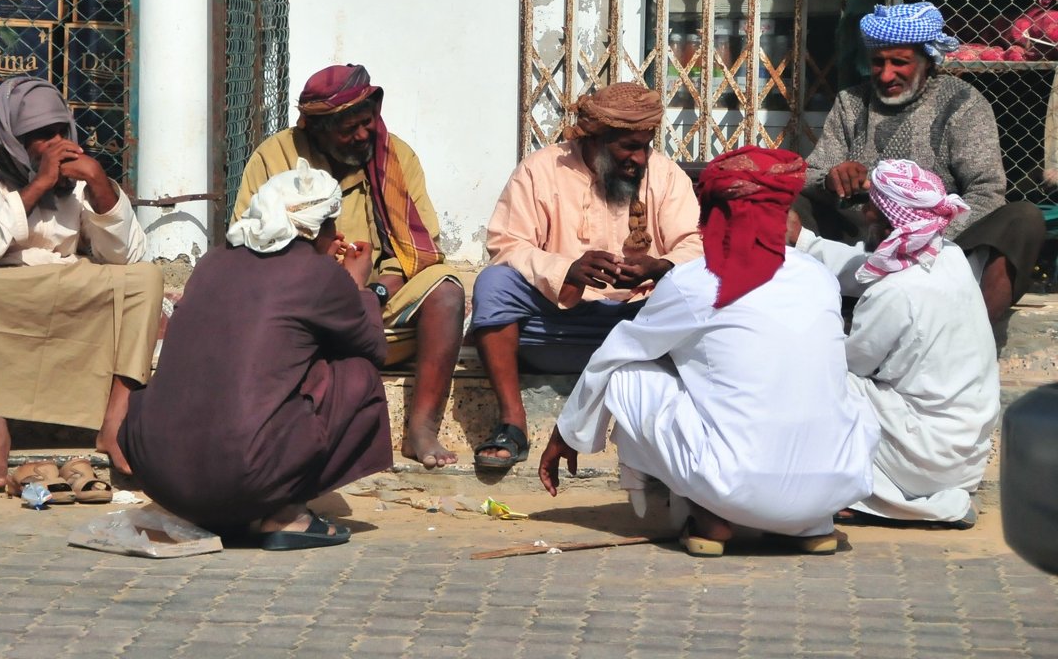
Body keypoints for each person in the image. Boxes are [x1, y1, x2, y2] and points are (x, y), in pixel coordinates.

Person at [539, 146, 879, 557]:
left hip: (735, 487)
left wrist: (568, 432)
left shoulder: (695, 280)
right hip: (835, 487)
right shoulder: (818, 277)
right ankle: (809, 524)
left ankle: (711, 518)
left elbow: (617, 353)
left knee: (629, 370)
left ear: (711, 213)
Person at [121, 159, 390, 549]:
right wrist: (357, 285)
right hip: (242, 476)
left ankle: (218, 505)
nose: (337, 234)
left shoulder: (212, 261)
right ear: (312, 229)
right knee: (359, 375)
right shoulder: (319, 275)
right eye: (330, 224)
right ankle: (284, 515)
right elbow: (372, 347)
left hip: (161, 477)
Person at [0, 77, 162, 492]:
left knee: (146, 278)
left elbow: (126, 256)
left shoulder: (77, 178)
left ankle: (114, 421)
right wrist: (36, 185)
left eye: (61, 131)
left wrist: (100, 186)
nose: (56, 143)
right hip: (0, 288)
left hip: (65, 282)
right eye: (40, 135)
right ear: (12, 136)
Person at [231, 64, 463, 469]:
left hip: (375, 304)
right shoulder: (276, 157)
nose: (362, 135)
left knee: (446, 290)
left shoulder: (397, 157)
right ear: (316, 130)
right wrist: (323, 276)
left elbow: (418, 250)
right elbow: (248, 239)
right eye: (347, 129)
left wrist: (368, 294)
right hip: (303, 307)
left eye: (367, 123)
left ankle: (422, 428)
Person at [470, 82, 702, 469]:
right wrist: (566, 270)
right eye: (627, 147)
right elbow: (506, 245)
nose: (639, 158)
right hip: (553, 330)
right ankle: (512, 423)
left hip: (637, 333)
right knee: (494, 284)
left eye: (645, 146)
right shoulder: (540, 170)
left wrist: (660, 267)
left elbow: (695, 246)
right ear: (594, 139)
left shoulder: (666, 176)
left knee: (697, 296)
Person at [799, 2, 1045, 322]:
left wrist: (924, 240)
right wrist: (831, 180)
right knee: (789, 202)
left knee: (1023, 218)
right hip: (865, 232)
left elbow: (986, 190)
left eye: (899, 62)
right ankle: (807, 312)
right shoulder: (851, 102)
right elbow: (811, 174)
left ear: (927, 61)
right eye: (877, 63)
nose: (886, 74)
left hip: (943, 242)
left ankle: (972, 332)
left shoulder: (963, 103)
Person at [791, 159, 998, 528]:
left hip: (925, 459)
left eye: (871, 205)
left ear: (885, 219)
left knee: (814, 377)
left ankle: (871, 496)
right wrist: (803, 241)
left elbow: (850, 366)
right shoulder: (949, 255)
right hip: (965, 454)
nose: (864, 210)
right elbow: (868, 266)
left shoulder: (893, 292)